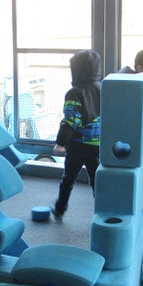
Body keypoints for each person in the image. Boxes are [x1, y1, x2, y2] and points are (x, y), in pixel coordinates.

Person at [51, 49, 102, 221]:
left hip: (78, 145)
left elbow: (71, 120)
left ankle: (60, 208)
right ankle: (101, 214)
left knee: (69, 178)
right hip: (98, 144)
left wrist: (61, 143)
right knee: (98, 181)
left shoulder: (74, 93)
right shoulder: (103, 89)